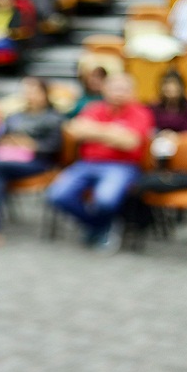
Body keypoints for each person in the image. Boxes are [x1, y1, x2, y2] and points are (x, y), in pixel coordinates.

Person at [47, 74, 154, 253]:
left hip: (122, 166)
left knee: (105, 199)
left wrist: (94, 131)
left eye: (124, 89)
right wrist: (114, 132)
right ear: (104, 90)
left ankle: (99, 228)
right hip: (87, 164)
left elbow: (130, 142)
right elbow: (74, 130)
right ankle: (99, 226)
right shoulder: (94, 108)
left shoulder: (140, 112)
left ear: (132, 92)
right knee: (57, 195)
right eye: (115, 88)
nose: (119, 93)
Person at [0, 77, 64, 251]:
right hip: (7, 162)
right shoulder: (14, 116)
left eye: (34, 90)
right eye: (27, 90)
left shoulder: (54, 118)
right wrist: (8, 141)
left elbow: (54, 148)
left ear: (45, 93)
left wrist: (30, 144)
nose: (30, 94)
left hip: (38, 163)